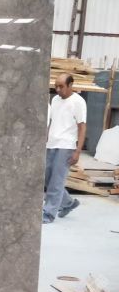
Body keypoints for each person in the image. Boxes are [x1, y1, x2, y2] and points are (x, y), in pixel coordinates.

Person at [43, 73, 86, 224]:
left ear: (70, 85)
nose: (58, 89)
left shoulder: (78, 102)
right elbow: (52, 121)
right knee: (47, 179)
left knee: (56, 181)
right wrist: (46, 138)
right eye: (56, 86)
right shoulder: (55, 100)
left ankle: (48, 213)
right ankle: (68, 203)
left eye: (61, 86)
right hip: (51, 144)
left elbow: (82, 127)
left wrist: (78, 151)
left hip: (66, 146)